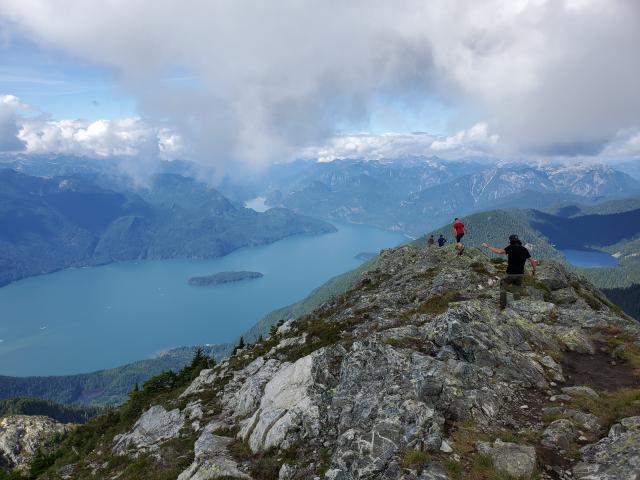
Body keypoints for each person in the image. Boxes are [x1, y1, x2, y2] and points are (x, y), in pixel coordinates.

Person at [482, 234, 537, 309]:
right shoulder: (524, 250)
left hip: (511, 274)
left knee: (503, 285)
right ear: (518, 241)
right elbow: (533, 261)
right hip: (520, 274)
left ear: (511, 241)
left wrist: (488, 246)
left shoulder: (510, 248)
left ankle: (502, 305)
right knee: (516, 289)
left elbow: (499, 251)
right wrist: (534, 270)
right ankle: (517, 305)